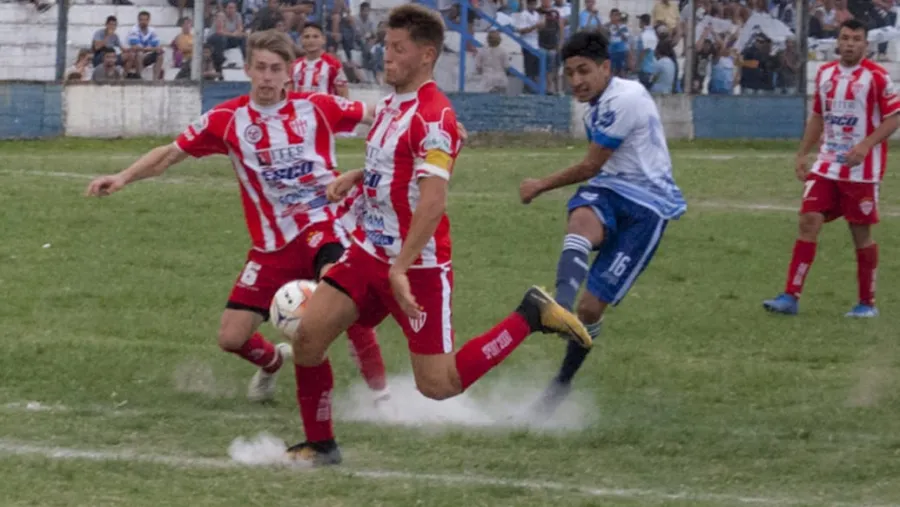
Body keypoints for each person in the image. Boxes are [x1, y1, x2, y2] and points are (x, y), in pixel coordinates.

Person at [283, 4, 592, 466]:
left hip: (419, 267)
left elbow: (432, 203)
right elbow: (396, 165)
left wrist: (402, 268)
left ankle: (530, 314)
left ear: (426, 55)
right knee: (308, 339)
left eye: (397, 49)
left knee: (438, 384)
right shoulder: (390, 104)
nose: (385, 56)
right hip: (368, 254)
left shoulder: (434, 116)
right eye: (385, 46)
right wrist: (358, 173)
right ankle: (322, 445)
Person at [84, 30, 389, 406]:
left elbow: (378, 114)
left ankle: (382, 397)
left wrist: (431, 124)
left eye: (275, 69)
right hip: (271, 246)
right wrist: (123, 177)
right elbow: (169, 154)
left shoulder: (316, 107)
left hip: (323, 224)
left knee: (343, 297)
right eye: (260, 68)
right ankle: (274, 361)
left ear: (288, 73)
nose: (266, 76)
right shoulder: (227, 119)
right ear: (247, 69)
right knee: (232, 338)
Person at [518, 30, 686, 416]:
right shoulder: (598, 102)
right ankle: (559, 307)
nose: (576, 81)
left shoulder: (623, 99)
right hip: (611, 190)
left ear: (606, 67)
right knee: (580, 220)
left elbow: (591, 164)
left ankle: (560, 385)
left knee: (591, 309)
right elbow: (602, 170)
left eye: (584, 71)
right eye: (570, 73)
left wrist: (540, 184)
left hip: (648, 206)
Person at [763, 19, 900, 318]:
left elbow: (894, 117)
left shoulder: (877, 78)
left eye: (856, 39)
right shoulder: (825, 74)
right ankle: (790, 296)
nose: (850, 43)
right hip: (827, 165)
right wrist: (802, 154)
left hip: (861, 172)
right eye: (845, 38)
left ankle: (867, 303)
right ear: (838, 42)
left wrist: (865, 145)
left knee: (860, 233)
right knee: (808, 220)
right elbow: (817, 117)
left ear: (866, 44)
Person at [291, 23, 349, 97]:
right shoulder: (295, 66)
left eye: (315, 36)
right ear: (301, 40)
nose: (311, 40)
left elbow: (343, 95)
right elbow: (289, 93)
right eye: (306, 37)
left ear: (323, 40)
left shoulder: (333, 65)